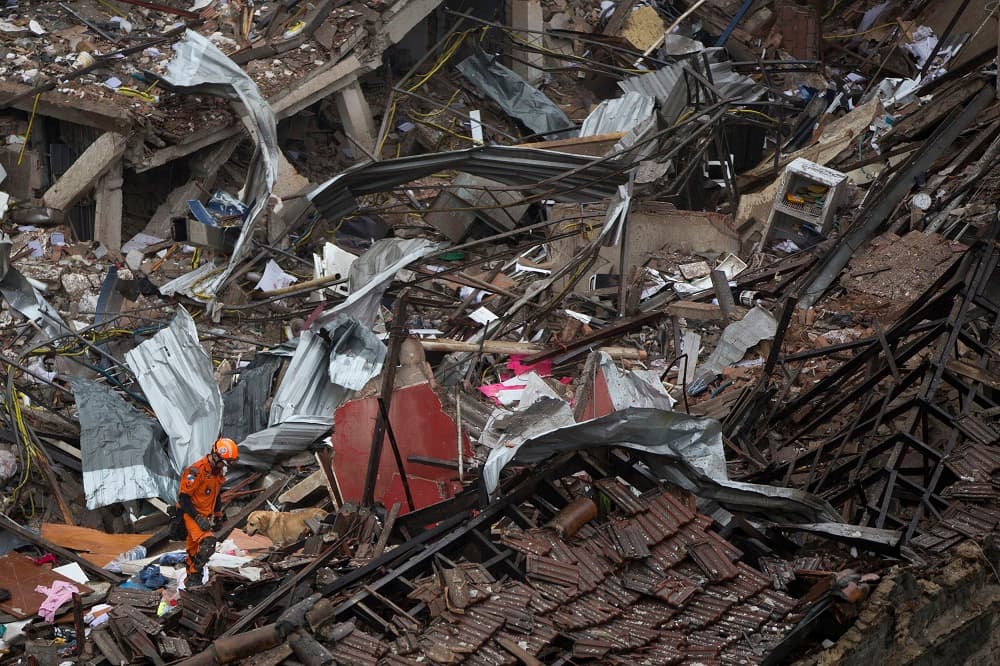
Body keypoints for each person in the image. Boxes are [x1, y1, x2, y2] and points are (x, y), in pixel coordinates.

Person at [176, 438, 238, 577]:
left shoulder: (217, 472)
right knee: (208, 543)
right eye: (223, 463)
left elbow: (216, 494)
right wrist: (197, 518)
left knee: (194, 551)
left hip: (205, 515)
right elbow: (183, 498)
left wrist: (218, 514)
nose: (224, 466)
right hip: (191, 514)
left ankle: (192, 578)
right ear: (215, 456)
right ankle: (195, 575)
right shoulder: (195, 472)